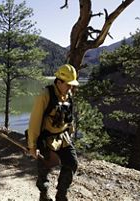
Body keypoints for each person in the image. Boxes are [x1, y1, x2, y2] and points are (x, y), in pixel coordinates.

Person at [27, 64, 79, 201]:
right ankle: (43, 195)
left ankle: (61, 195)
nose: (70, 87)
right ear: (59, 81)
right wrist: (32, 146)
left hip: (63, 137)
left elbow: (69, 117)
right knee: (44, 169)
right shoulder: (45, 95)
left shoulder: (68, 95)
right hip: (46, 138)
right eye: (68, 84)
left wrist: (71, 131)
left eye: (72, 85)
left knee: (72, 162)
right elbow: (34, 122)